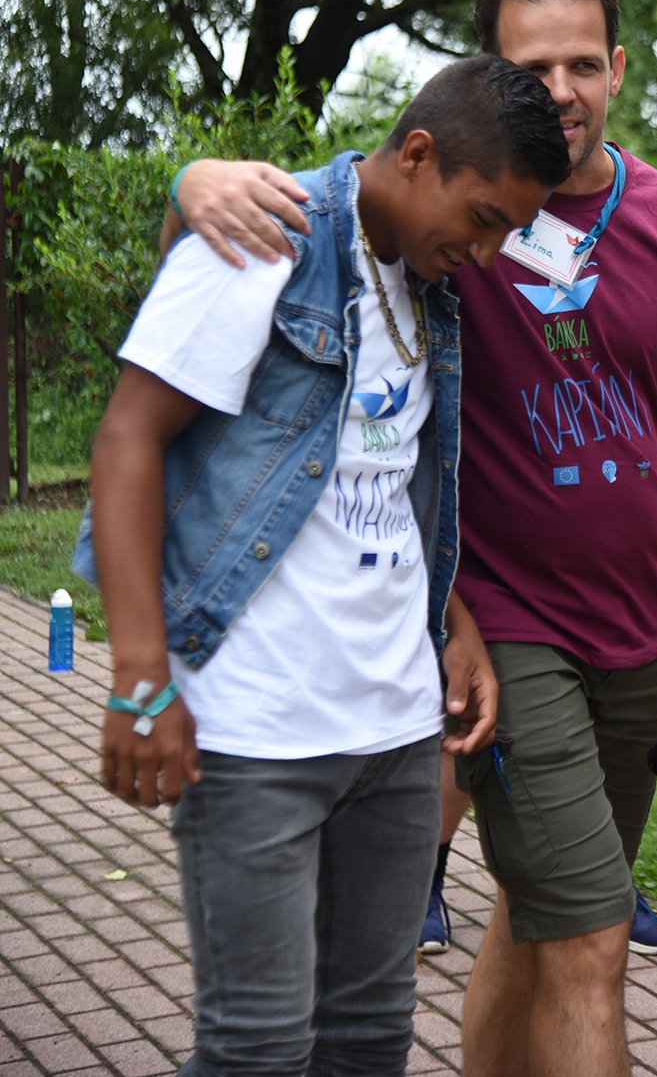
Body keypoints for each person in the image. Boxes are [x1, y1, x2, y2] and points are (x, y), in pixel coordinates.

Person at [170, 0, 657, 1077]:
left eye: (582, 64)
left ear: (617, 68)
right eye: (532, 66)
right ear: (488, 71)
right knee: (593, 936)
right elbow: (332, 207)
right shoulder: (451, 206)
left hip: (636, 625)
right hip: (500, 623)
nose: (561, 89)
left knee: (540, 912)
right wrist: (193, 181)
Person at [73, 56, 570, 1077]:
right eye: (482, 219)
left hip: (394, 732)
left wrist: (452, 624)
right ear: (418, 154)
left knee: (369, 1038)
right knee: (256, 1050)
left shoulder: (428, 284)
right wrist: (139, 673)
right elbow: (127, 441)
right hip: (254, 732)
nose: (485, 254)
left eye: (505, 233)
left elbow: (386, 485)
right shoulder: (264, 238)